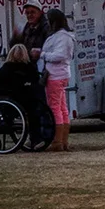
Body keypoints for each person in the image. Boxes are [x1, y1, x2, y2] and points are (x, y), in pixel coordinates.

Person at [38, 10, 76, 154]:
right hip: (61, 75)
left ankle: (57, 141)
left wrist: (42, 54)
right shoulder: (65, 36)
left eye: (49, 20)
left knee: (55, 108)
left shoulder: (61, 37)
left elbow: (59, 55)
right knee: (62, 107)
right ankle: (63, 140)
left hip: (55, 75)